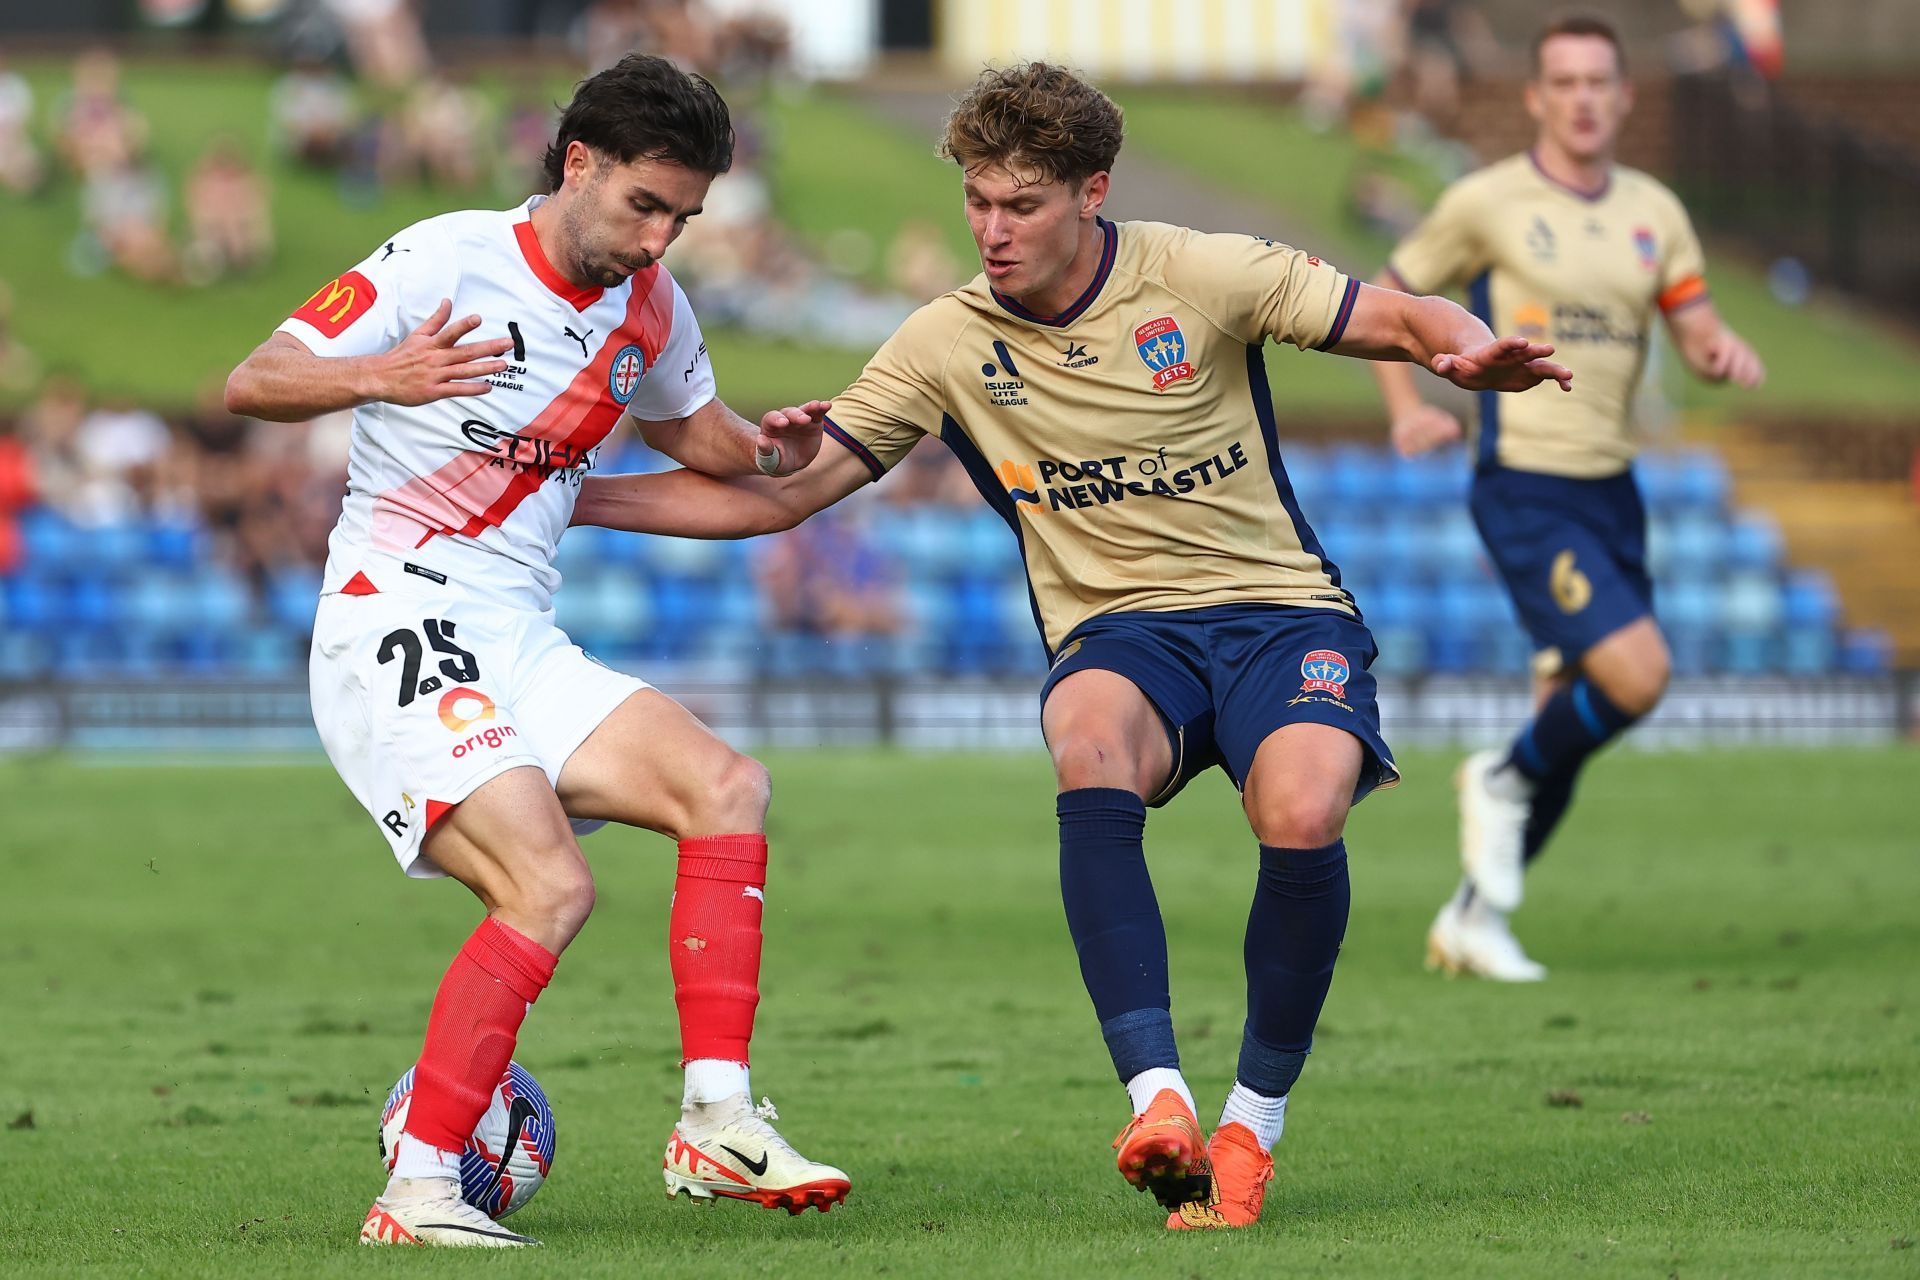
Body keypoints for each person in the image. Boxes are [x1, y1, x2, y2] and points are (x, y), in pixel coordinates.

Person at [570, 61, 1570, 1231]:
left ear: (1093, 190)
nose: (992, 231)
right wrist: (570, 490)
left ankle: (1252, 1122)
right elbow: (778, 498)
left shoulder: (1201, 273)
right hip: (1117, 631)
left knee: (1302, 811)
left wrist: (1464, 348)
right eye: (978, 202)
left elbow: (1396, 313)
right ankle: (1158, 1101)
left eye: (1022, 205)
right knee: (1087, 741)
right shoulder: (945, 340)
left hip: (1276, 609)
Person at [224, 54, 849, 1248]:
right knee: (550, 884)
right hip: (394, 610)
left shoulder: (650, 307)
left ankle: (716, 1119)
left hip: (518, 631)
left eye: (684, 216)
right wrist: (383, 374)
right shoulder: (442, 257)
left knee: (730, 786)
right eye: (644, 205)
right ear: (579, 163)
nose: (660, 238)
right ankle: (415, 1194)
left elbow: (707, 441)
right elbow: (257, 378)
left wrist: (774, 450)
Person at [1370, 14, 1764, 982]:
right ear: (1538, 98)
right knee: (1637, 676)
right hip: (1527, 486)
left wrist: (1716, 351)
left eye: (1600, 81)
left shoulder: (1655, 211)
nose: (1584, 97)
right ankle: (1496, 777)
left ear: (1624, 97)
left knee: (1570, 722)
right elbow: (1391, 294)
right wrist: (1405, 406)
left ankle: (1476, 915)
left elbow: (1696, 322)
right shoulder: (1486, 202)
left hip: (1613, 488)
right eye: (1566, 81)